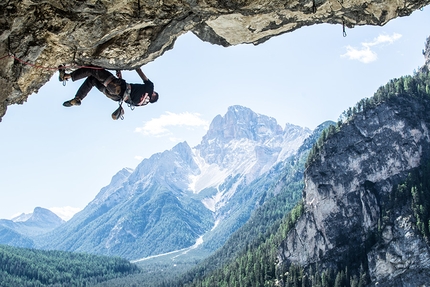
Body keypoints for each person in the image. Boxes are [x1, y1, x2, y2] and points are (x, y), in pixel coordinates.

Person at [58, 66, 159, 119]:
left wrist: (136, 66)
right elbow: (127, 95)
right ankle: (78, 98)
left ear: (154, 94)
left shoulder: (150, 88)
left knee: (93, 69)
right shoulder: (141, 104)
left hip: (116, 86)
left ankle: (66, 76)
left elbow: (141, 73)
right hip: (113, 95)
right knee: (92, 80)